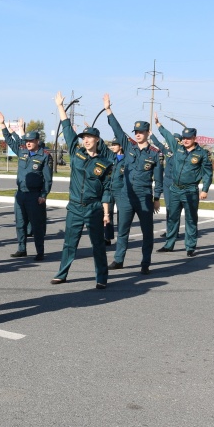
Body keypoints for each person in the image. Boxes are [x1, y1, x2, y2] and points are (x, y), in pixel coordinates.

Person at [51, 92, 113, 288]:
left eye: (89, 138)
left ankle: (101, 278)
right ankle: (62, 273)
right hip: (75, 207)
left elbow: (106, 189)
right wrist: (61, 107)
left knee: (98, 245)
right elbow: (68, 130)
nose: (86, 140)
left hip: (93, 208)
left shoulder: (105, 163)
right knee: (70, 243)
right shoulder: (76, 153)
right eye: (84, 137)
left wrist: (105, 213)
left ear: (97, 140)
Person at [104, 95, 163, 275]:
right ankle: (119, 259)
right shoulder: (128, 146)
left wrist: (156, 199)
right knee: (122, 230)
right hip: (126, 196)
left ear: (147, 133)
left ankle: (145, 263)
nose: (137, 134)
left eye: (141, 132)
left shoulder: (154, 154)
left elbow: (158, 178)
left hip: (144, 197)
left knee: (147, 232)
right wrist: (108, 110)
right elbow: (118, 130)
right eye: (136, 132)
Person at [155, 116, 212, 256]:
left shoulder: (202, 154)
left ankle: (190, 246)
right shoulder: (177, 148)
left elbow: (208, 174)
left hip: (190, 190)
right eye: (184, 137)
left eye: (189, 138)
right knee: (172, 218)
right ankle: (169, 244)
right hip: (175, 189)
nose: (185, 140)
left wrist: (205, 190)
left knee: (191, 219)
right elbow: (168, 136)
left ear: (194, 138)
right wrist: (159, 125)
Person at [0, 114, 52, 261]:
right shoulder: (22, 151)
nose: (28, 143)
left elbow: (48, 178)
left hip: (35, 196)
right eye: (27, 141)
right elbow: (9, 140)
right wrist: (3, 125)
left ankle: (39, 251)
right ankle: (21, 249)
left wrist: (44, 194)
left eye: (31, 141)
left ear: (37, 141)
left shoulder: (44, 156)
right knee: (20, 223)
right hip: (20, 194)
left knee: (36, 226)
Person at [103, 137, 125, 247]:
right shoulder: (111, 156)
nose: (113, 146)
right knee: (108, 214)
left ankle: (121, 238)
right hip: (110, 189)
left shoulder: (127, 159)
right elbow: (102, 146)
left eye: (115, 145)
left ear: (121, 146)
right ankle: (107, 237)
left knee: (122, 216)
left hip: (121, 191)